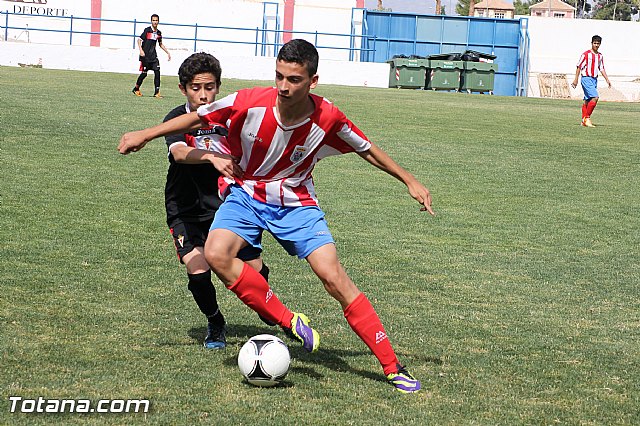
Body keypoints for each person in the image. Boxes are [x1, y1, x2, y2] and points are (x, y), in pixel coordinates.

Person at [119, 39, 434, 394]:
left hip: (296, 201)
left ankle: (393, 367)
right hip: (247, 193)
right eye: (279, 76)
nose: (283, 86)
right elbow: (196, 116)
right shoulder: (251, 101)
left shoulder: (328, 115)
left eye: (294, 79)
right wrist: (145, 134)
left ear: (312, 81)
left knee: (333, 278)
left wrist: (409, 179)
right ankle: (289, 320)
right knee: (216, 253)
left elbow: (367, 149)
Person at [125, 52, 273, 349]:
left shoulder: (231, 118)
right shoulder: (176, 118)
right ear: (183, 89)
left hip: (228, 206)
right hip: (186, 207)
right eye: (196, 88)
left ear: (218, 86)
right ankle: (215, 321)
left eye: (210, 88)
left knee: (253, 270)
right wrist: (213, 157)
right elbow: (179, 152)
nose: (203, 96)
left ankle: (266, 296)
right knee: (199, 268)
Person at [571, 34, 612, 128]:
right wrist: (576, 79)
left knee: (587, 100)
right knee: (595, 97)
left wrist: (607, 79)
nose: (596, 45)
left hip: (594, 79)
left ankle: (583, 121)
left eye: (598, 43)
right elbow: (579, 66)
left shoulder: (600, 56)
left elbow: (601, 68)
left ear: (600, 44)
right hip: (586, 78)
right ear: (591, 43)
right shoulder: (586, 54)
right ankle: (587, 118)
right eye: (595, 43)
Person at [132, 14, 171, 99]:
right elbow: (139, 40)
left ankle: (157, 92)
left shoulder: (158, 33)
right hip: (145, 57)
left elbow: (160, 44)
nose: (155, 22)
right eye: (153, 20)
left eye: (156, 20)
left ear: (158, 21)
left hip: (153, 57)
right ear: (151, 21)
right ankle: (136, 88)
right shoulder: (147, 30)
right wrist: (141, 50)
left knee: (157, 72)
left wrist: (167, 52)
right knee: (144, 74)